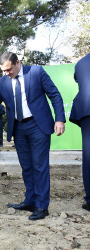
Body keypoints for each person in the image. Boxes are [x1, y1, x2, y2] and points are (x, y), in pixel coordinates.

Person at [0, 52, 65, 220]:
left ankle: (42, 206)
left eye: (9, 69)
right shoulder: (2, 82)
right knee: (26, 166)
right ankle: (30, 201)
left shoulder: (36, 72)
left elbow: (54, 95)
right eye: (3, 70)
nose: (7, 73)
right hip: (18, 127)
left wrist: (60, 119)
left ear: (17, 62)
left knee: (39, 166)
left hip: (38, 125)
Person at [69, 53, 90, 212]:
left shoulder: (81, 62)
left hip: (86, 111)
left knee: (88, 157)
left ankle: (89, 199)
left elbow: (78, 79)